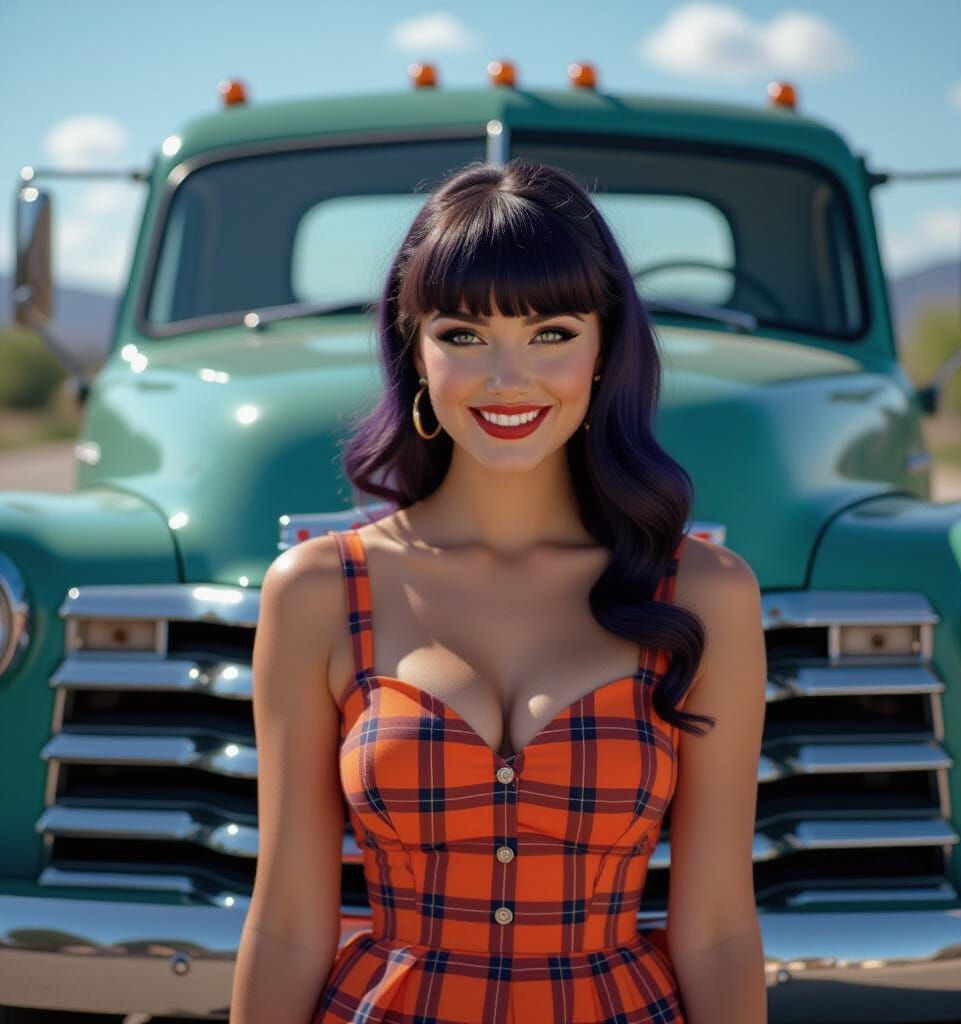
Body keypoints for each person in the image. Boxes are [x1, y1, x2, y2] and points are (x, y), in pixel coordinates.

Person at [231, 158, 767, 1024]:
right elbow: (291, 923)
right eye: (463, 334)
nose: (507, 378)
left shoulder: (705, 593)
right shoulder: (319, 590)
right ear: (415, 350)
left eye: (551, 332)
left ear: (605, 347)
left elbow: (716, 929)